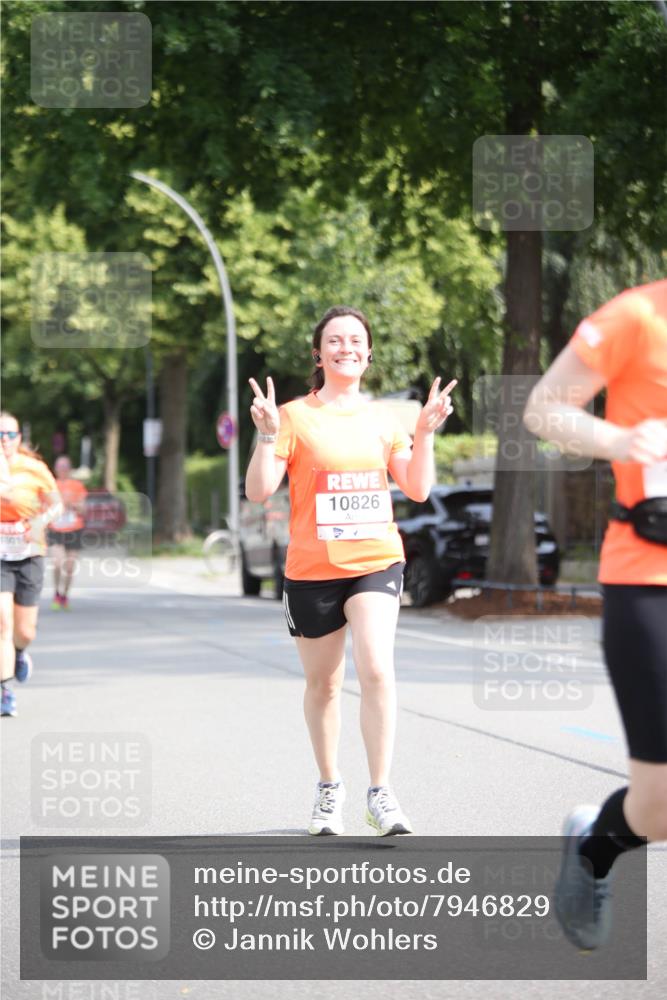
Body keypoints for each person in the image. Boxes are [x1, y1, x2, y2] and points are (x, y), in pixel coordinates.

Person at [246, 305, 456, 835]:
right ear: (319, 355)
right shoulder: (293, 416)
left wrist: (426, 433)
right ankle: (329, 786)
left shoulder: (385, 419)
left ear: (368, 354)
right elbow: (259, 490)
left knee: (377, 669)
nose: (346, 347)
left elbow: (417, 489)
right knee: (324, 685)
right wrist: (267, 436)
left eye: (356, 340)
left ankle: (381, 793)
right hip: (312, 569)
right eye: (335, 341)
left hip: (375, 562)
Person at [523, 279, 667, 949]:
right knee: (659, 807)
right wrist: (619, 439)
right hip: (649, 574)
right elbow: (545, 409)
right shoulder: (637, 315)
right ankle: (594, 846)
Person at [0, 412, 61, 717]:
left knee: (25, 631)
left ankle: (20, 652)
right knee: (2, 622)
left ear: (19, 438)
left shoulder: (34, 468)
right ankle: (5, 691)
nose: (4, 440)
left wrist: (38, 522)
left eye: (10, 434)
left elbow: (57, 505)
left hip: (29, 553)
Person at [48, 455, 88, 610]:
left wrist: (73, 505)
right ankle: (56, 592)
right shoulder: (50, 485)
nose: (63, 470)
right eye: (60, 467)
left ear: (70, 469)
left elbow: (84, 509)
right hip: (56, 529)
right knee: (58, 563)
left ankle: (64, 595)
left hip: (74, 529)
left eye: (65, 467)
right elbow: (44, 508)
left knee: (70, 567)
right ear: (55, 469)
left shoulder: (77, 485)